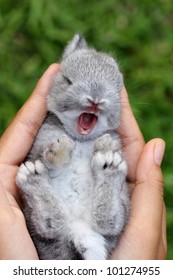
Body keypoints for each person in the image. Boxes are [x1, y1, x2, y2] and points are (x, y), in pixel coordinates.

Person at [0, 64, 167, 260]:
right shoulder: (53, 126)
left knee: (52, 233)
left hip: (65, 235)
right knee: (98, 221)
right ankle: (103, 195)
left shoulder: (107, 136)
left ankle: (46, 195)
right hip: (86, 224)